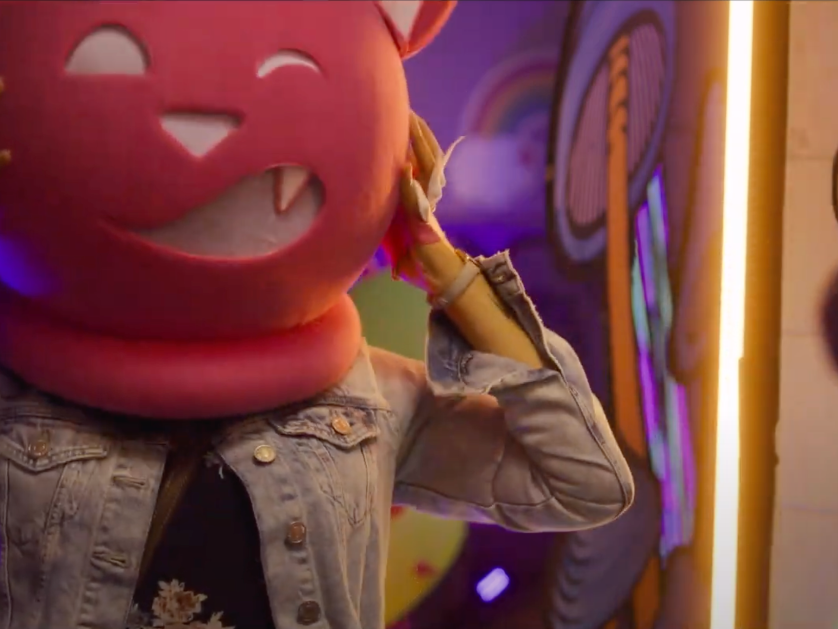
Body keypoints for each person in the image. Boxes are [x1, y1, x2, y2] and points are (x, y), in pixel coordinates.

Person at [0, 2, 633, 628]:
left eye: (288, 73)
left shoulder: (375, 404)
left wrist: (456, 278)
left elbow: (583, 482)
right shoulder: (19, 392)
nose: (206, 127)